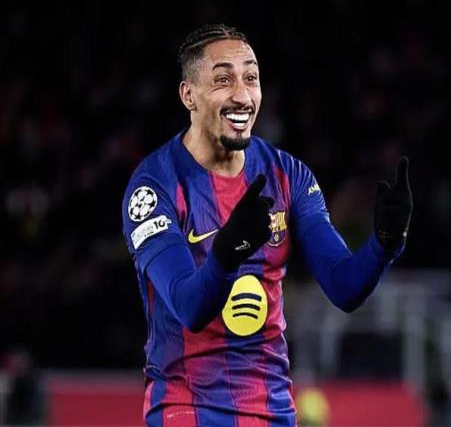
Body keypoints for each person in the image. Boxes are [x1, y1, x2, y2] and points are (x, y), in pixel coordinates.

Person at [121, 23, 413, 426]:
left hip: (272, 410)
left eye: (251, 78)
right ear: (189, 95)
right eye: (223, 80)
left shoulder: (288, 176)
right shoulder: (154, 187)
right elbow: (189, 308)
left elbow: (344, 287)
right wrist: (227, 254)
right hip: (186, 409)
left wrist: (383, 244)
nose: (242, 95)